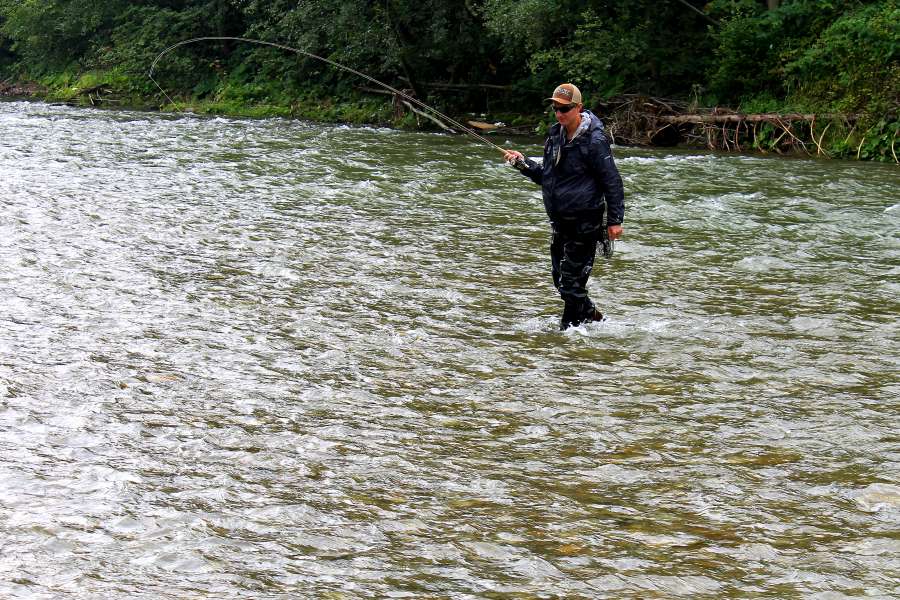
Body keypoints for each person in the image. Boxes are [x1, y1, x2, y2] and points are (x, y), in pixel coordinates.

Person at [503, 83, 625, 330]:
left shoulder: (595, 140)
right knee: (560, 281)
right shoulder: (554, 135)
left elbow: (612, 180)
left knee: (571, 284)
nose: (559, 113)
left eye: (565, 109)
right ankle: (589, 322)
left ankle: (568, 337)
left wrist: (615, 220)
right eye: (556, 108)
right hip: (560, 221)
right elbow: (546, 176)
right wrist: (522, 164)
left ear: (579, 107)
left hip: (585, 222)